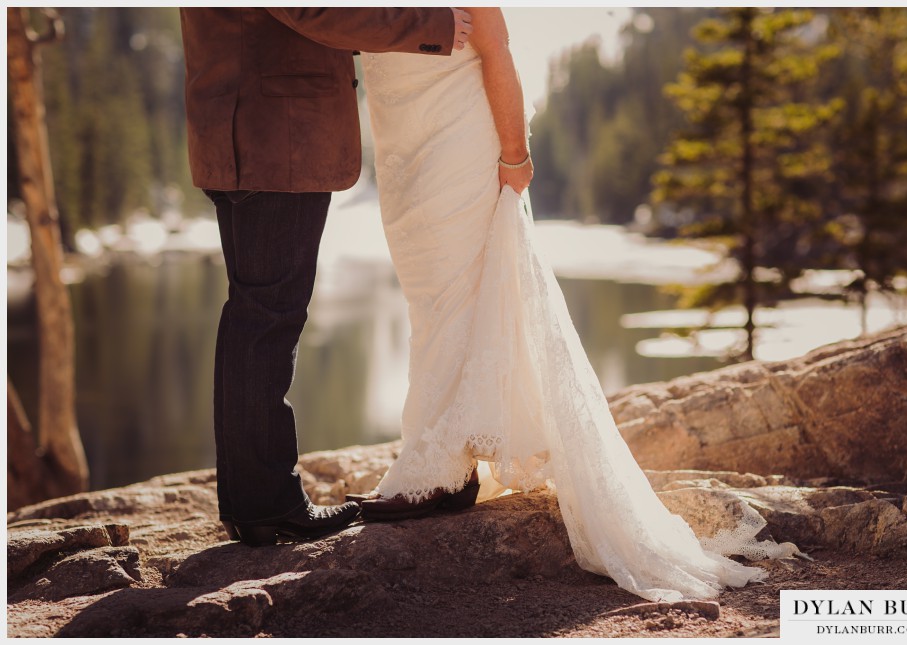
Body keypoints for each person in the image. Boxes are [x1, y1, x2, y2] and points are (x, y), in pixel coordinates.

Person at [354, 8, 780, 601]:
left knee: (453, 297)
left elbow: (495, 47)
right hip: (403, 153)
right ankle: (443, 455)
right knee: (430, 299)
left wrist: (512, 153)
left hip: (456, 144)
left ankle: (438, 469)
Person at [179, 7, 474, 548]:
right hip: (272, 138)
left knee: (256, 313)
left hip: (248, 131)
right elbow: (315, 9)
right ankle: (265, 504)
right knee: (266, 316)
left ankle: (254, 502)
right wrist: (429, 25)